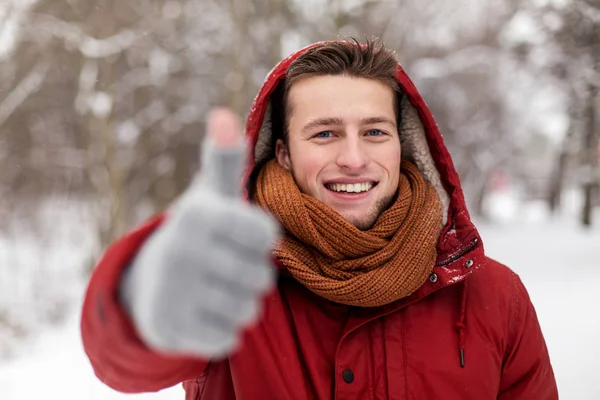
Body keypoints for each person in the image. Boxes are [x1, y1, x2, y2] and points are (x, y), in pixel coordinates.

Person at [81, 38, 558, 399]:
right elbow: (123, 361)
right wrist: (140, 296)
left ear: (402, 145)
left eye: (374, 131)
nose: (353, 158)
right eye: (325, 133)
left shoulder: (493, 295)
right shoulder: (230, 280)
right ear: (283, 153)